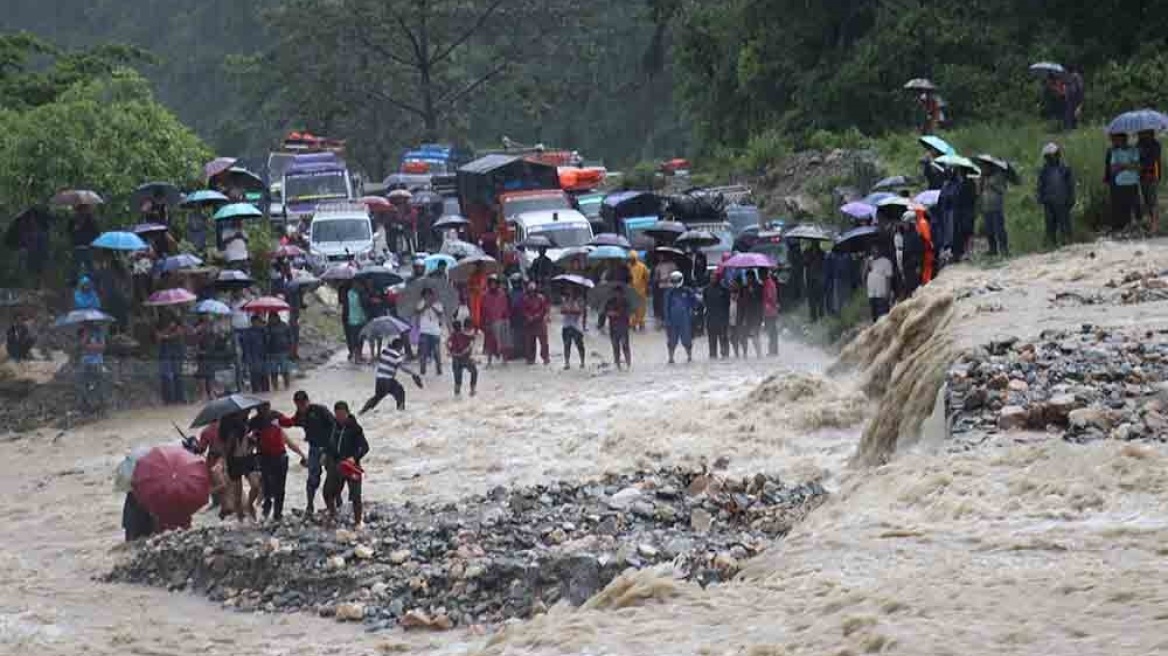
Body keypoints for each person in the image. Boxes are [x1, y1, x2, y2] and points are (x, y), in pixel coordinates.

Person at [278, 391, 336, 516]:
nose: (301, 407)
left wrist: (329, 449)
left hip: (329, 448)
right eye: (298, 405)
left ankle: (336, 504)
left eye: (303, 404)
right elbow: (292, 422)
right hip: (313, 448)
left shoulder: (320, 410)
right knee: (312, 478)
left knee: (332, 476)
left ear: (307, 401)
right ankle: (310, 505)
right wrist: (277, 419)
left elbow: (335, 426)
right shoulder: (300, 414)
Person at [251, 403, 306, 522]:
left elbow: (290, 424)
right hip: (264, 458)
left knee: (279, 489)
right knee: (267, 487)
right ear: (258, 409)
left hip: (280, 457)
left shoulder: (275, 416)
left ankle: (277, 514)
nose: (265, 410)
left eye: (266, 407)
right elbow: (246, 436)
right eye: (262, 408)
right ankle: (265, 511)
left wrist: (299, 411)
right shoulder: (254, 422)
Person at [323, 402, 369, 526]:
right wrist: (325, 455)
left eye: (342, 415)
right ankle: (333, 514)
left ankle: (358, 522)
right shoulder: (333, 427)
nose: (340, 418)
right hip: (336, 464)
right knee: (327, 492)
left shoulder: (355, 428)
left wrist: (354, 458)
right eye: (337, 415)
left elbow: (365, 447)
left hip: (352, 466)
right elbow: (328, 444)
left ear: (348, 413)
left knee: (356, 496)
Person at [360, 337, 423, 413]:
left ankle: (362, 411)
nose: (401, 349)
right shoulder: (397, 355)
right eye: (401, 347)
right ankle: (401, 412)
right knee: (400, 392)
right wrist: (413, 373)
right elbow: (403, 368)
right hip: (388, 380)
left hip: (379, 379)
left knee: (377, 397)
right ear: (399, 346)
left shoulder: (385, 351)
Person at [220, 409, 258, 521]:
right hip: (234, 461)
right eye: (246, 411)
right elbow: (226, 449)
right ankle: (240, 520)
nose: (248, 412)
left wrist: (253, 441)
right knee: (237, 494)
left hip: (248, 458)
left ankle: (250, 505)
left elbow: (253, 443)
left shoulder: (249, 424)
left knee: (255, 485)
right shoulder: (231, 428)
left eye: (249, 411)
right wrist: (224, 464)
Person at [1037, 142, 1076, 246]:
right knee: (1050, 225)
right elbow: (1040, 184)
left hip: (1062, 201)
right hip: (1048, 202)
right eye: (1047, 157)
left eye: (1050, 156)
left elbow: (1070, 185)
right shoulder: (1044, 170)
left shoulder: (1065, 168)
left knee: (1065, 223)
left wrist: (1072, 198)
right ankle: (1052, 244)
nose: (1049, 159)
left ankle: (1067, 243)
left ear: (1057, 155)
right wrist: (1040, 197)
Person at [1104, 132, 1142, 233]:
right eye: (1119, 140)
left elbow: (1137, 166)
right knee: (1121, 205)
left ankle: (1134, 226)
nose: (1121, 142)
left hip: (1132, 182)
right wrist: (1128, 165)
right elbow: (1113, 169)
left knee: (1134, 205)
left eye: (1122, 140)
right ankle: (1123, 226)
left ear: (1126, 139)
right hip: (1119, 182)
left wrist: (1121, 166)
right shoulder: (1114, 152)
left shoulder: (1134, 150)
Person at [663, 271, 698, 364]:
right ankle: (671, 358)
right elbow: (666, 307)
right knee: (672, 340)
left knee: (687, 340)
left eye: (677, 280)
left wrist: (694, 313)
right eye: (673, 280)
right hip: (672, 320)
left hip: (685, 320)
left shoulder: (687, 291)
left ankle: (689, 357)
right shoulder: (669, 293)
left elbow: (695, 303)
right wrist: (667, 321)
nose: (675, 282)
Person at [980, 161, 1010, 256]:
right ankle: (992, 249)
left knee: (999, 229)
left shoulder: (998, 176)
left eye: (985, 167)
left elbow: (1003, 189)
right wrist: (981, 181)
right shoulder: (984, 178)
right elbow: (980, 191)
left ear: (990, 167)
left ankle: (1004, 249)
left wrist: (993, 185)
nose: (983, 169)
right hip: (986, 207)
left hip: (996, 206)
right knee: (989, 230)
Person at [77, 323, 106, 415]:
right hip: (85, 362)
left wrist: (89, 347)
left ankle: (100, 407)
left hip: (97, 362)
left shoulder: (99, 332)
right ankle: (86, 407)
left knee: (98, 385)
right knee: (84, 385)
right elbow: (81, 345)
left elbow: (102, 347)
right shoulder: (81, 332)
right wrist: (86, 337)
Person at [156, 314, 186, 404]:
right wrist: (166, 332)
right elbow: (158, 336)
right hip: (165, 353)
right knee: (167, 376)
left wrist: (166, 336)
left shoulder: (179, 326)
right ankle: (169, 400)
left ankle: (179, 399)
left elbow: (179, 332)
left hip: (176, 352)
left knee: (177, 375)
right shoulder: (161, 323)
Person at [416, 287, 445, 375]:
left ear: (432, 295)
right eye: (426, 295)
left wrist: (432, 306)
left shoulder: (438, 304)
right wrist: (425, 306)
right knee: (423, 353)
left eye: (429, 294)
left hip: (435, 331)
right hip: (424, 331)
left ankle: (439, 370)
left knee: (436, 352)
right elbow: (417, 312)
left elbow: (440, 314)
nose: (428, 296)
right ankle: (422, 371)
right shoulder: (420, 303)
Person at [481, 276, 510, 366]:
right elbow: (483, 309)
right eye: (491, 283)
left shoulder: (502, 294)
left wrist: (505, 319)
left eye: (494, 283)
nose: (493, 285)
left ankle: (505, 360)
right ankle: (489, 361)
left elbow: (505, 307)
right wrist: (484, 322)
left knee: (504, 341)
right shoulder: (485, 295)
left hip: (502, 320)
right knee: (490, 342)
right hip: (490, 321)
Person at [1138, 130, 1162, 234]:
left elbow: (1154, 159)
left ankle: (1155, 225)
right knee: (1146, 199)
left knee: (1152, 200)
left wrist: (1143, 153)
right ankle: (1150, 223)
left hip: (1152, 174)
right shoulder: (1139, 144)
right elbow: (1137, 158)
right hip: (1142, 175)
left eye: (1142, 133)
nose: (1139, 134)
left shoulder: (1155, 145)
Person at [522, 281, 551, 365]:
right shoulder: (525, 299)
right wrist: (528, 316)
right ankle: (530, 358)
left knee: (544, 342)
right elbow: (524, 310)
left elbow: (544, 309)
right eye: (530, 291)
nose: (532, 293)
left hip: (540, 322)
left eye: (533, 291)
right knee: (530, 341)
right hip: (530, 323)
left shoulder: (541, 298)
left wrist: (537, 316)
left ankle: (545, 357)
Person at [447, 320, 479, 396]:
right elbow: (470, 346)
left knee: (457, 381)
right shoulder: (468, 336)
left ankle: (457, 397)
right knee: (474, 372)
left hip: (455, 359)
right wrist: (465, 352)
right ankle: (472, 390)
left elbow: (446, 343)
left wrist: (451, 352)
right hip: (465, 358)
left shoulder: (453, 334)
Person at [604, 286, 632, 370]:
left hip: (623, 326)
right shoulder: (610, 302)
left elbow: (628, 313)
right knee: (615, 346)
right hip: (613, 327)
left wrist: (618, 313)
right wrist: (610, 313)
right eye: (616, 293)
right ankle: (617, 364)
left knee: (625, 345)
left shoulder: (626, 302)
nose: (617, 295)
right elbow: (606, 312)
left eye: (619, 293)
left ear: (622, 294)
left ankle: (628, 364)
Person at [703, 273, 730, 359]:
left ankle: (725, 355)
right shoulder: (706, 289)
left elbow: (728, 304)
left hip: (722, 318)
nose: (713, 279)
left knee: (723, 339)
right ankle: (712, 355)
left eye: (714, 278)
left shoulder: (724, 290)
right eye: (711, 278)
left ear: (718, 279)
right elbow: (705, 303)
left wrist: (726, 319)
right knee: (711, 340)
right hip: (710, 318)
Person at [70, 204, 100, 282]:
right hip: (79, 246)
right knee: (76, 268)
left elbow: (96, 233)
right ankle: (75, 283)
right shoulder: (74, 220)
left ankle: (93, 282)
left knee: (89, 268)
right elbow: (69, 231)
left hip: (87, 246)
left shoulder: (90, 220)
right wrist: (74, 229)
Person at [240, 314, 269, 393]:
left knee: (265, 377)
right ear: (252, 322)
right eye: (257, 322)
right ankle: (256, 392)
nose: (258, 323)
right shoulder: (248, 332)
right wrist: (248, 359)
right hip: (254, 357)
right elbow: (246, 347)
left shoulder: (263, 331)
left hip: (263, 357)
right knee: (255, 377)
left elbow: (267, 343)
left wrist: (265, 331)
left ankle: (266, 393)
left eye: (259, 322)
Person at [560, 286, 587, 370]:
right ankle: (567, 362)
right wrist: (569, 310)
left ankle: (582, 362)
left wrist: (570, 310)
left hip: (576, 326)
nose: (569, 294)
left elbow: (580, 311)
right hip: (567, 325)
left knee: (580, 345)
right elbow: (562, 311)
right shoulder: (565, 300)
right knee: (566, 345)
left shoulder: (580, 301)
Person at [866, 247, 894, 323]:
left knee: (883, 320)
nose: (874, 252)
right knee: (874, 319)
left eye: (875, 249)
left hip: (882, 295)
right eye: (872, 250)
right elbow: (863, 277)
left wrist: (887, 293)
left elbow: (888, 278)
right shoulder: (870, 261)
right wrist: (866, 265)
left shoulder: (886, 262)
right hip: (872, 295)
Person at [266, 312, 293, 391]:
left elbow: (290, 337)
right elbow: (265, 340)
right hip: (272, 352)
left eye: (273, 318)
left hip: (283, 351)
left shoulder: (284, 326)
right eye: (270, 318)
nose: (272, 320)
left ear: (277, 317)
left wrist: (290, 350)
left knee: (285, 371)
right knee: (273, 372)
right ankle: (275, 388)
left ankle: (287, 387)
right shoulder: (267, 327)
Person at [652, 256, 679, 328]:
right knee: (664, 305)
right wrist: (659, 279)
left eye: (661, 256)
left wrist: (668, 278)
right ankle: (665, 321)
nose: (660, 258)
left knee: (668, 305)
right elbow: (656, 277)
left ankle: (669, 321)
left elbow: (676, 275)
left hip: (669, 287)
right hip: (662, 287)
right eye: (659, 257)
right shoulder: (659, 265)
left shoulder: (672, 265)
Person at [627, 251, 651, 331]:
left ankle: (640, 324)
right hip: (631, 291)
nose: (632, 260)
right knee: (632, 308)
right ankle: (633, 324)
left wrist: (647, 288)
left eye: (633, 258)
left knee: (641, 309)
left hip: (641, 291)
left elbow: (647, 278)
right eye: (631, 258)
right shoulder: (628, 267)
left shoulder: (642, 267)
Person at [346, 281, 368, 363]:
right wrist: (362, 293)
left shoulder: (352, 293)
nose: (358, 285)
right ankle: (356, 357)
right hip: (355, 319)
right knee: (356, 339)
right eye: (357, 284)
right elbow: (359, 303)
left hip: (358, 319)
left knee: (359, 338)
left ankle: (358, 355)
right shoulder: (353, 293)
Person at [803, 242, 825, 322]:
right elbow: (805, 263)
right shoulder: (807, 252)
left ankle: (821, 315)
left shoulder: (821, 253)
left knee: (820, 299)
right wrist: (810, 256)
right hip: (810, 279)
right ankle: (813, 317)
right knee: (812, 299)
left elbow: (823, 264)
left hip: (819, 279)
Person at [762, 270, 780, 355]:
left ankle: (773, 351)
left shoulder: (768, 283)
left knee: (772, 332)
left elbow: (770, 296)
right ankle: (773, 350)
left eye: (761, 274)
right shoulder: (770, 282)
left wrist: (769, 304)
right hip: (771, 311)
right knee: (773, 332)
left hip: (770, 312)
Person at [467, 262, 488, 330]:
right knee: (475, 313)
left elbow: (485, 287)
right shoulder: (472, 276)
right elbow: (468, 286)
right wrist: (474, 287)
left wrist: (482, 290)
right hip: (474, 297)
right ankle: (476, 326)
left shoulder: (485, 276)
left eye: (483, 266)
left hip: (483, 297)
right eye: (481, 266)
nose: (483, 267)